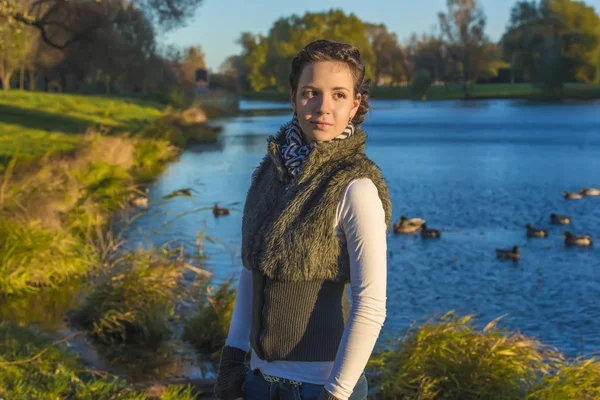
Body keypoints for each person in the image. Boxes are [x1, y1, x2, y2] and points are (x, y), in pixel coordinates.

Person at [214, 39, 392, 400]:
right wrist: (232, 362)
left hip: (320, 388)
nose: (323, 107)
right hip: (258, 383)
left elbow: (371, 304)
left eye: (339, 95)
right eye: (311, 92)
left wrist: (336, 393)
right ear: (293, 97)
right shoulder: (268, 174)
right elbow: (250, 271)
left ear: (355, 104)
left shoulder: (355, 187)